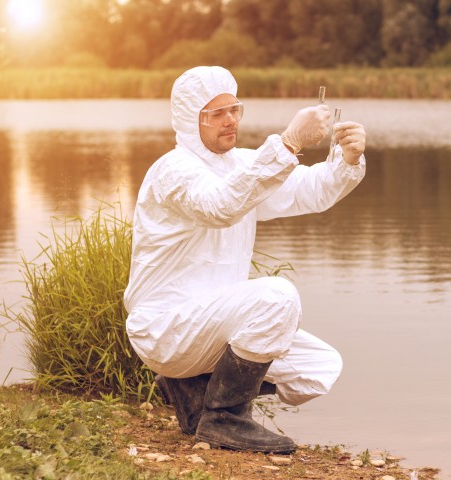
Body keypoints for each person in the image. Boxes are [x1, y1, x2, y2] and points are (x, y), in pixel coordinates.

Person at [124, 66, 366, 453]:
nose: (230, 120)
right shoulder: (172, 171)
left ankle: (196, 395)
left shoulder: (240, 167)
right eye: (215, 114)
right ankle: (224, 419)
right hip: (165, 326)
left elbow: (309, 191)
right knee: (277, 298)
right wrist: (288, 143)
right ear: (191, 120)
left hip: (213, 328)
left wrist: (347, 161)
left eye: (234, 109)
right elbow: (219, 205)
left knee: (318, 368)